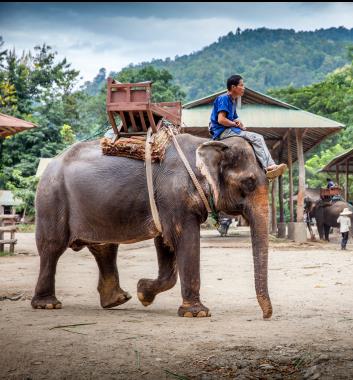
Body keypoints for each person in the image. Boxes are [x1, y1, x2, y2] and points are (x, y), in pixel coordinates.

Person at [209, 74, 287, 179]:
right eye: (241, 85)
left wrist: (238, 123)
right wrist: (234, 124)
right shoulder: (224, 99)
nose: (243, 88)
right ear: (233, 87)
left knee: (253, 139)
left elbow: (235, 119)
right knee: (258, 138)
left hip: (229, 129)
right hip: (222, 131)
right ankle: (269, 166)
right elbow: (221, 120)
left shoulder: (232, 101)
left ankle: (264, 166)